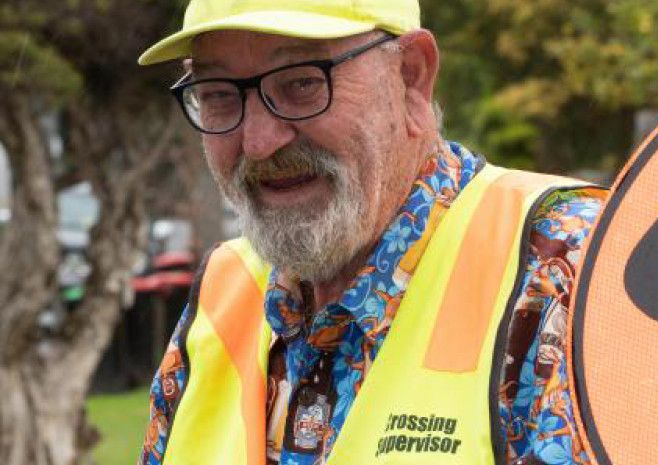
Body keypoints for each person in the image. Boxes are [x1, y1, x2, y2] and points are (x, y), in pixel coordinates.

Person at [137, 1, 607, 464]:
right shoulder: (225, 292)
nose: (259, 143)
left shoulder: (568, 266)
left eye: (302, 82)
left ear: (411, 77)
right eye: (219, 94)